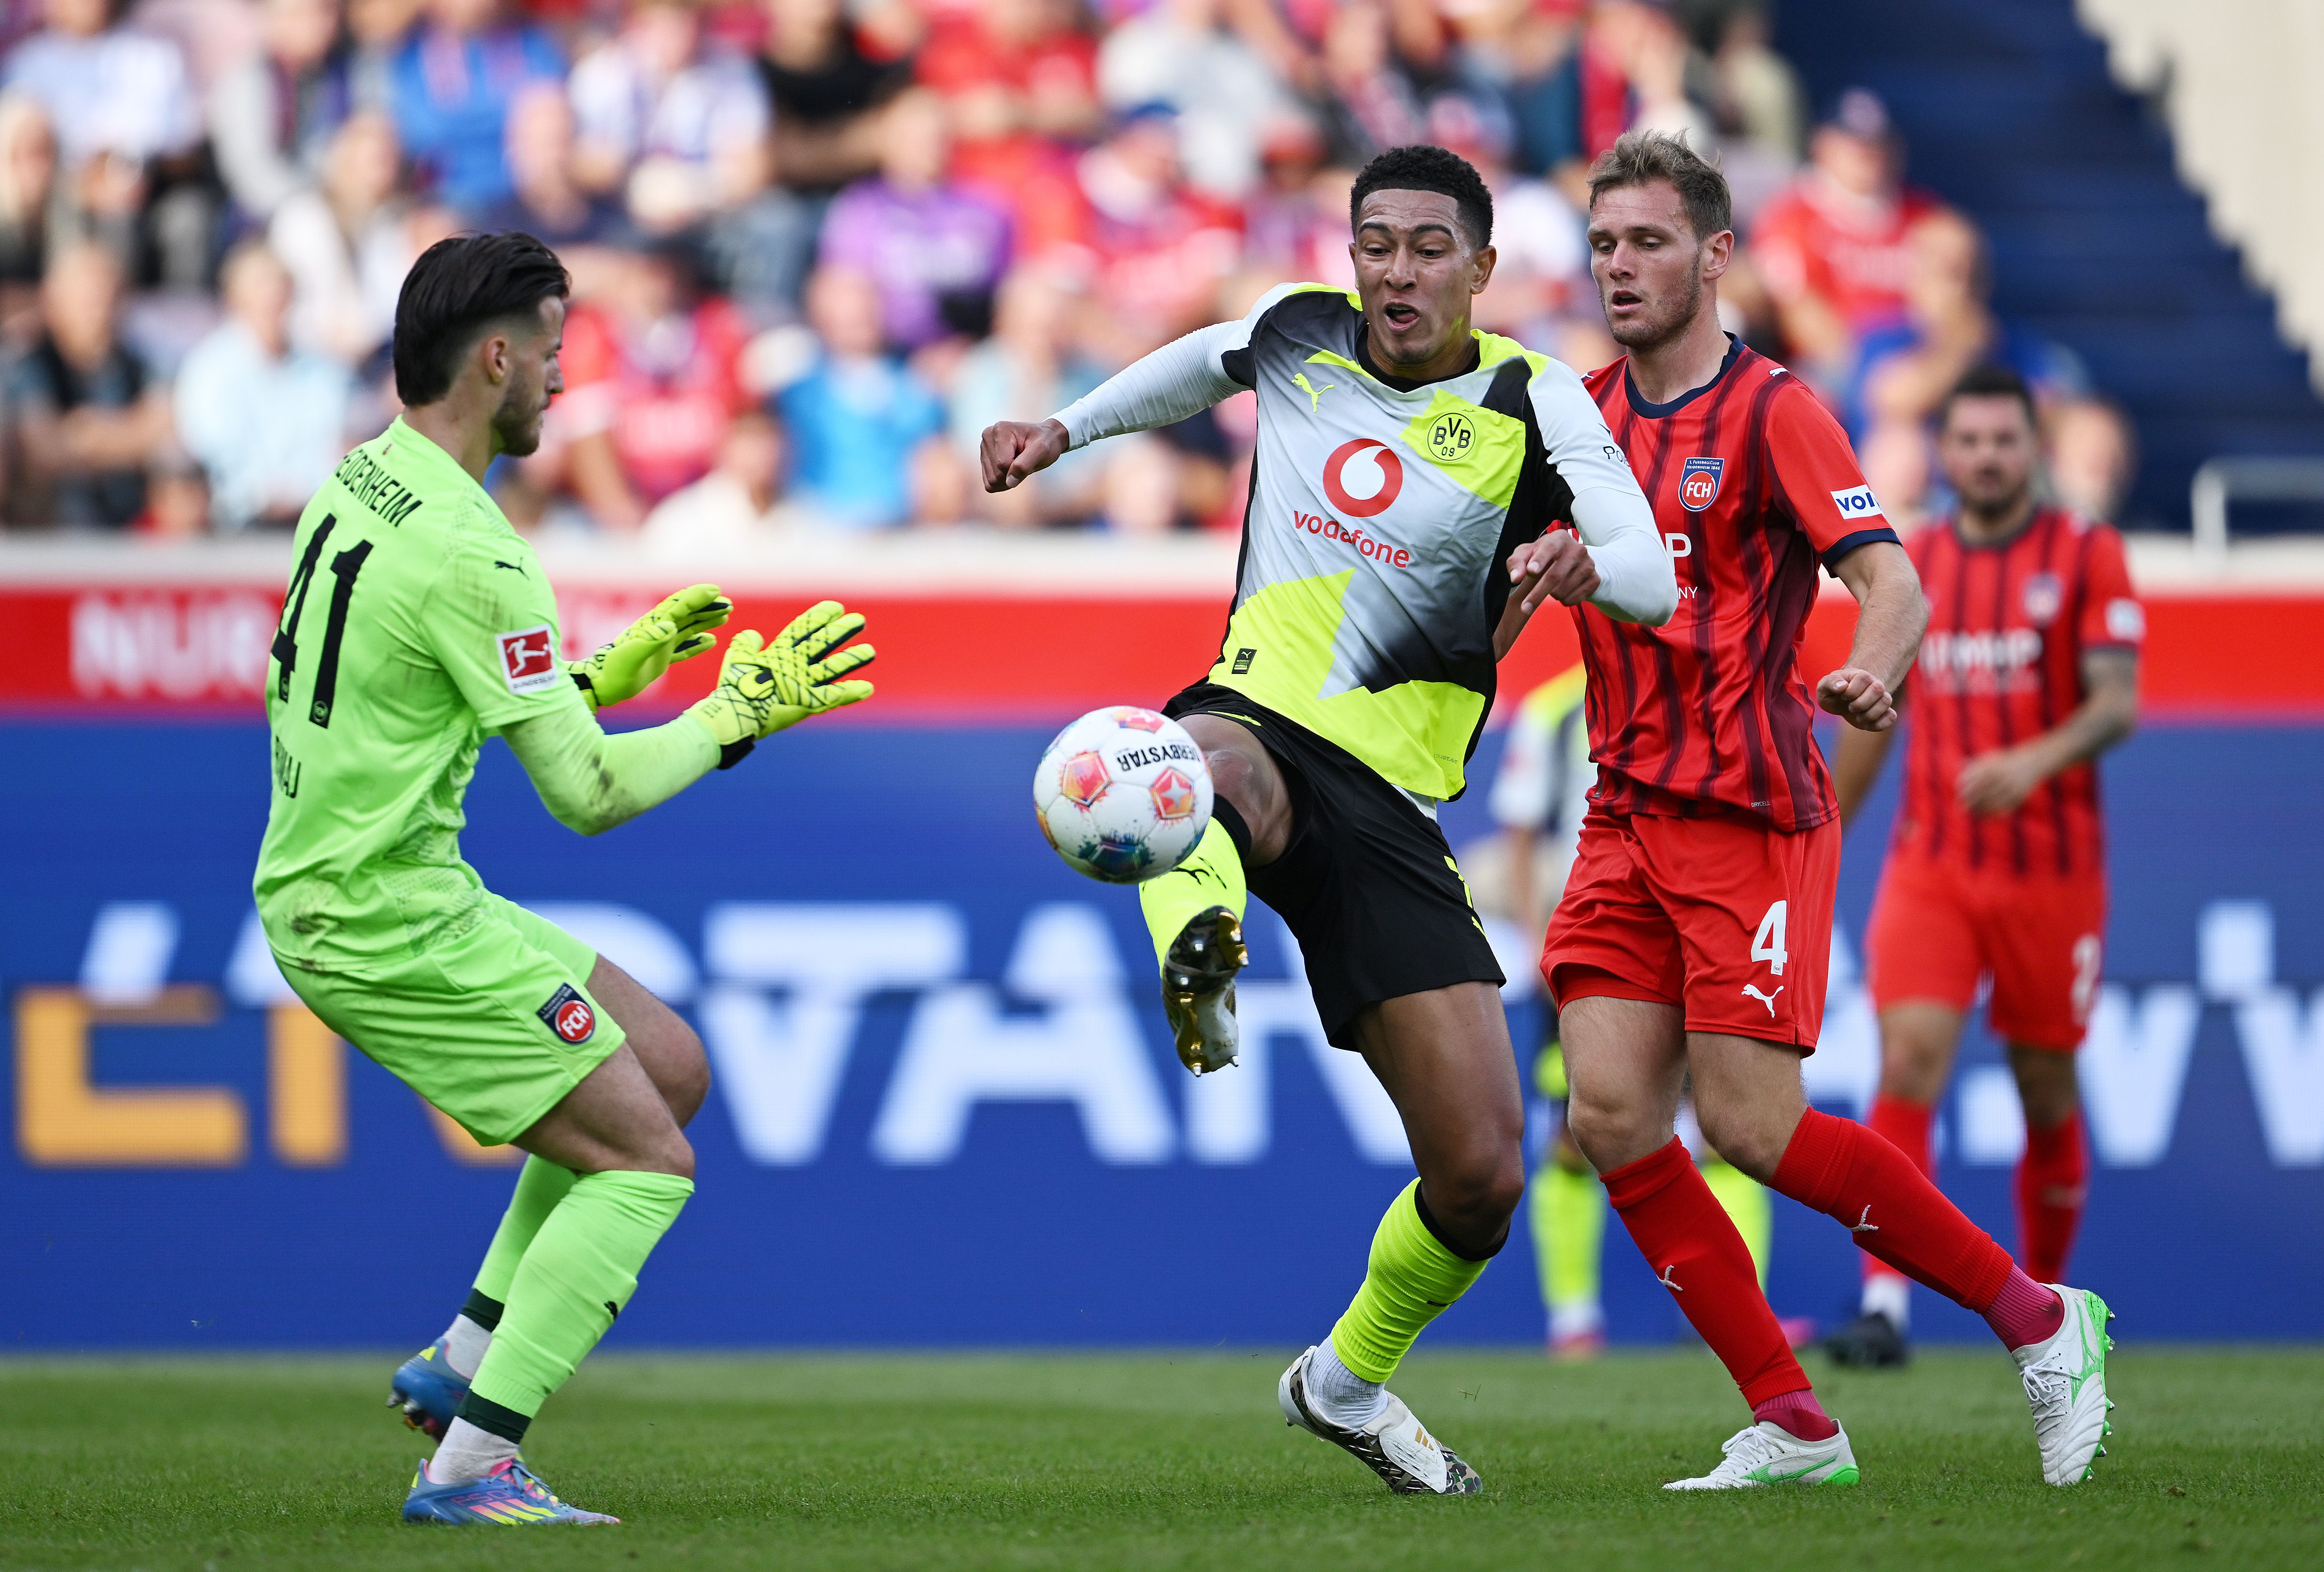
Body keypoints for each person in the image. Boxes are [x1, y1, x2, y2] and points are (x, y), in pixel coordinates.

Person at [982, 142, 1674, 1493]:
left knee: (1478, 1177)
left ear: (1480, 267)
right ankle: (1206, 957)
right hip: (1255, 715)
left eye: (1426, 248)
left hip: (1397, 798)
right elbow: (1197, 359)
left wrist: (1583, 563)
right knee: (1193, 764)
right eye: (1374, 243)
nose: (1394, 271)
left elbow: (1648, 572)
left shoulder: (1534, 403)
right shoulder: (1299, 334)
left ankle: (1343, 1380)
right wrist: (1063, 429)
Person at [251, 231, 875, 1524]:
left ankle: (460, 1360)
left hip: (382, 881)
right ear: (494, 356)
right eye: (549, 348)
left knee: (672, 1065)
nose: (561, 377)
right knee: (649, 1163)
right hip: (380, 915)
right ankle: (473, 1465)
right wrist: (731, 717)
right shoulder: (480, 552)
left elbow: (412, 696)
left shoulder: (360, 479)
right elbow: (585, 797)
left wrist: (598, 683)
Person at [1547, 128, 2114, 1492]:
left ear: (1716, 255)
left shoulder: (1773, 411)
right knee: (1611, 1115)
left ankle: (2037, 1319)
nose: (1619, 266)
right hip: (1620, 807)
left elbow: (1892, 581)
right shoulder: (1571, 414)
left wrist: (1867, 666)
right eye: (1604, 243)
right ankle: (1794, 1420)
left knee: (1751, 1124)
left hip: (1745, 808)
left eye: (1648, 241)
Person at [1822, 364, 2142, 1369]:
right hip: (1934, 865)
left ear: (2034, 448)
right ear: (1946, 452)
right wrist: (1824, 828)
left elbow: (2118, 701)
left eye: (2006, 440)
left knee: (2046, 1084)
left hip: (2052, 872)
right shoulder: (1912, 569)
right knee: (1908, 1060)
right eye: (1969, 441)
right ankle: (1886, 1304)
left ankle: (2052, 1311)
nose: (1988, 457)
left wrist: (2032, 759)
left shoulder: (2087, 554)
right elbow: (1879, 707)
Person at [1489, 664, 1783, 1359]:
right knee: (1575, 1136)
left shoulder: (1705, 694)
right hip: (1587, 949)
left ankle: (1737, 1318)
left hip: (1688, 943)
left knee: (1723, 1129)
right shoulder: (1556, 708)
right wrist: (1539, 938)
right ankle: (1572, 1322)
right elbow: (1522, 830)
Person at [1749, 88, 1943, 381]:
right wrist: (1871, 375)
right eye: (1853, 143)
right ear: (1822, 144)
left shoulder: (1925, 216)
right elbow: (1801, 314)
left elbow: (1953, 304)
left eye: (1877, 143)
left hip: (1918, 360)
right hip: (1835, 369)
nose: (1866, 153)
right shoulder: (1791, 215)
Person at [172, 240, 354, 529]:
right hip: (236, 528)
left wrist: (304, 491)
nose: (271, 297)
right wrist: (264, 495)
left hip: (315, 522)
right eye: (259, 287)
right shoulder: (209, 370)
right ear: (235, 298)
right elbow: (213, 457)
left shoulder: (324, 372)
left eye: (279, 286)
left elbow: (338, 449)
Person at [3, 239, 171, 528]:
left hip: (132, 524)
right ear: (53, 301)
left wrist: (83, 433)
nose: (98, 308)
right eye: (85, 297)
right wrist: (127, 434)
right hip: (53, 531)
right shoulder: (30, 361)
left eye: (107, 294)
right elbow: (42, 450)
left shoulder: (138, 362)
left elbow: (164, 430)